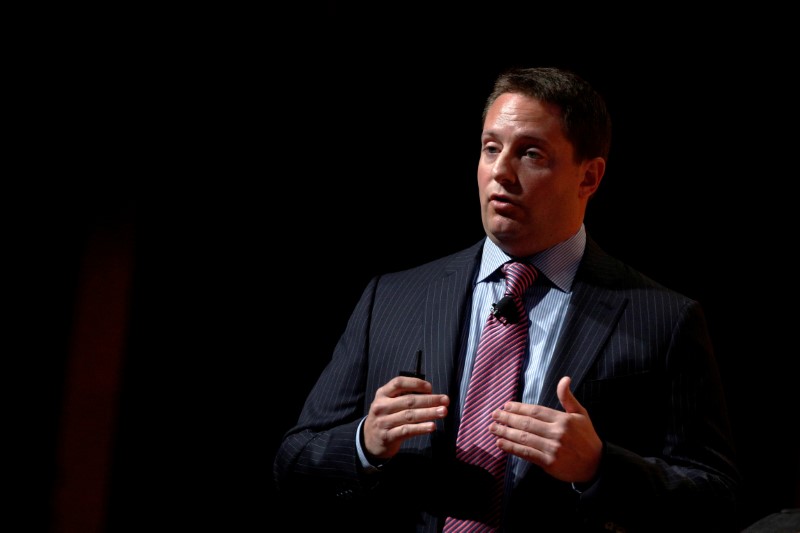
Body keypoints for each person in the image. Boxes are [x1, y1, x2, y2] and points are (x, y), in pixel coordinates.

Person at [273, 66, 741, 532]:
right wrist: (365, 444)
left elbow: (715, 496)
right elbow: (294, 461)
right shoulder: (391, 298)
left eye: (530, 154)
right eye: (490, 148)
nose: (500, 171)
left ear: (590, 178)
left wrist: (599, 468)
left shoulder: (663, 318)